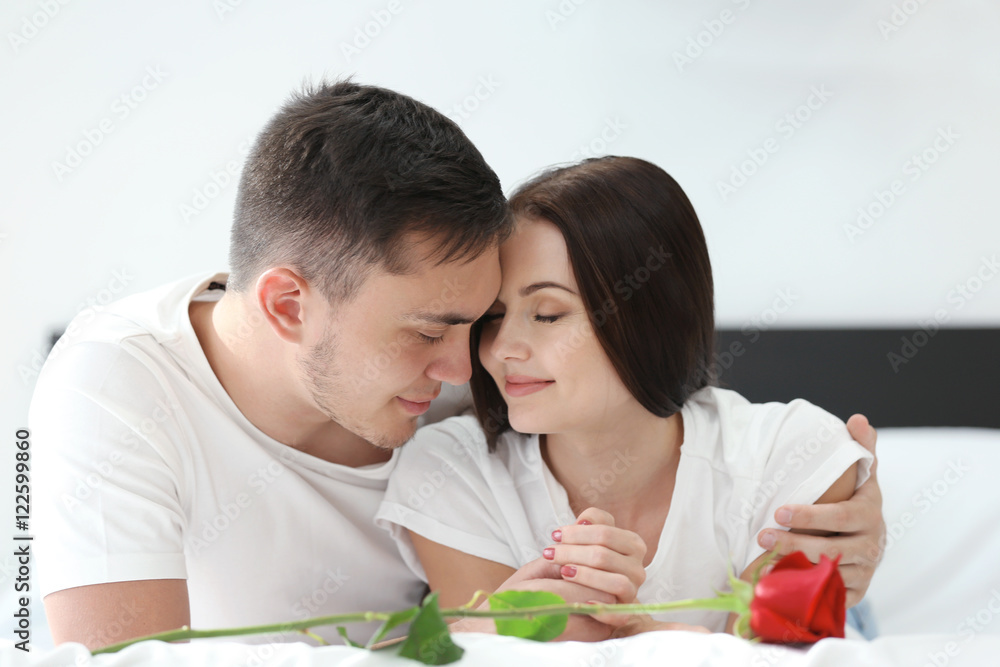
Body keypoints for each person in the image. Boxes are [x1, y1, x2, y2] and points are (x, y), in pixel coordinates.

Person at [31, 80, 883, 650]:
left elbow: (699, 448)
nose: (471, 364)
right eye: (432, 330)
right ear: (289, 306)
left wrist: (845, 535)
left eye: (485, 319)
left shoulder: (505, 394)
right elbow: (122, 660)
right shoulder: (117, 387)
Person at [377, 156, 880, 639]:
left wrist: (641, 635)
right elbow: (490, 654)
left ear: (655, 318)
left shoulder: (794, 454)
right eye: (493, 316)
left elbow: (772, 656)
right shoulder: (449, 469)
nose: (501, 348)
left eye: (548, 314)